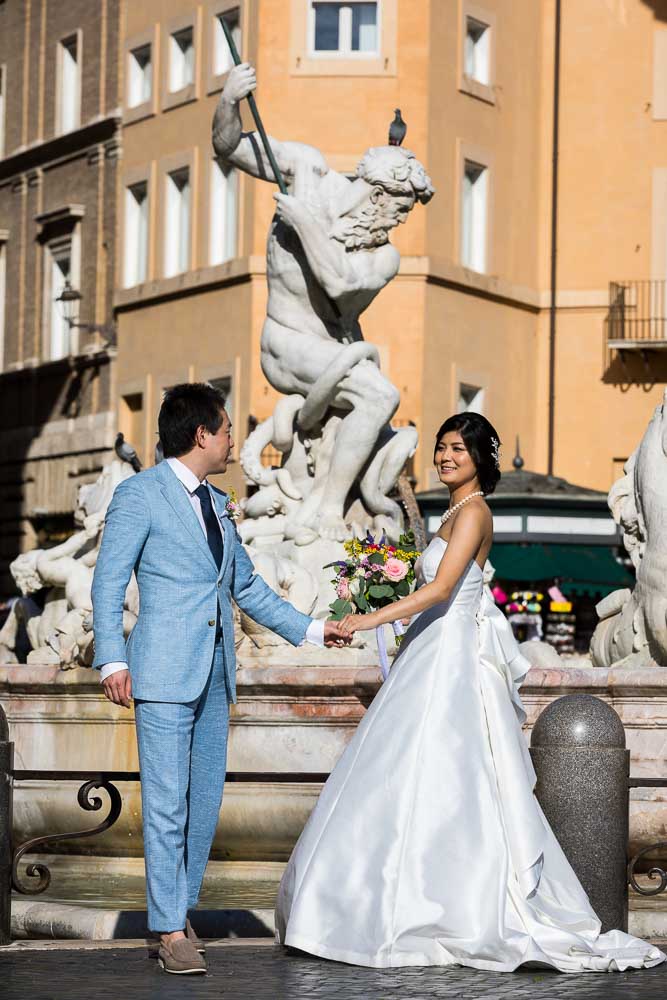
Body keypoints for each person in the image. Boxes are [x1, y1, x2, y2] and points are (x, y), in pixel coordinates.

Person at [275, 412, 665, 974]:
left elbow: (440, 587)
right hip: (432, 649)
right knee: (401, 773)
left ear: (481, 457)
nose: (444, 456)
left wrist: (371, 617)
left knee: (447, 775)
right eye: (440, 448)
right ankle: (366, 906)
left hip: (452, 658)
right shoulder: (452, 511)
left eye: (457, 448)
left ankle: (431, 907)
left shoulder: (476, 512)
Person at [91, 382, 347, 975]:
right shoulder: (140, 495)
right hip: (159, 671)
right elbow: (108, 580)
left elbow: (248, 587)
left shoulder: (219, 502)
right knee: (165, 802)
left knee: (203, 804)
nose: (234, 439)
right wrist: (113, 659)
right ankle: (168, 929)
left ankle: (180, 911)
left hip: (215, 675)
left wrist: (313, 631)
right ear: (202, 434)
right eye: (228, 429)